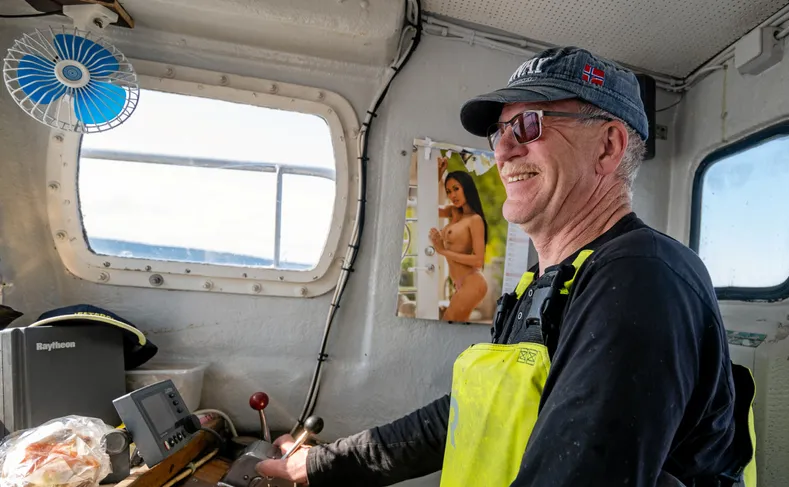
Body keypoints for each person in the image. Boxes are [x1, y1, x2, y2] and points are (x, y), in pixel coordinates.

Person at [256, 46, 755, 487]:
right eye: (499, 131)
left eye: (529, 125)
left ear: (608, 145)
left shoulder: (641, 277)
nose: (501, 148)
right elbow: (469, 416)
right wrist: (325, 465)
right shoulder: (545, 284)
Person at [428, 156, 489, 322]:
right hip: (460, 283)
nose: (452, 195)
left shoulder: (475, 220)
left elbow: (478, 260)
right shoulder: (453, 212)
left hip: (473, 282)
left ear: (466, 188)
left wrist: (443, 251)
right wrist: (437, 176)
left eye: (456, 189)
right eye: (448, 191)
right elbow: (429, 207)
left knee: (446, 324)